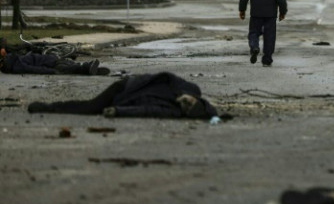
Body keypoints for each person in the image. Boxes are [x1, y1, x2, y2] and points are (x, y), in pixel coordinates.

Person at [27, 72, 219, 119]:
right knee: (90, 108)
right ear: (196, 99)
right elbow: (167, 76)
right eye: (190, 102)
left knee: (91, 108)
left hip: (125, 98)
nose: (184, 103)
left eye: (186, 107)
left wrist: (118, 111)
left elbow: (146, 110)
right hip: (125, 87)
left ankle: (48, 107)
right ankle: (47, 107)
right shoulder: (189, 87)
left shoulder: (173, 111)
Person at [239, 0, 288, 67]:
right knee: (269, 36)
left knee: (253, 33)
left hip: (255, 13)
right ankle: (267, 59)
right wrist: (283, 12)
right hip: (270, 15)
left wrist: (242, 10)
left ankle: (254, 47)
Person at [0, 47, 108, 76]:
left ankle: (88, 69)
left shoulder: (14, 64)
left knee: (70, 67)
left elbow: (33, 68)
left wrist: (49, 70)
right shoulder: (15, 62)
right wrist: (49, 71)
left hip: (52, 63)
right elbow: (33, 69)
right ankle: (87, 68)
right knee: (70, 67)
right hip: (52, 63)